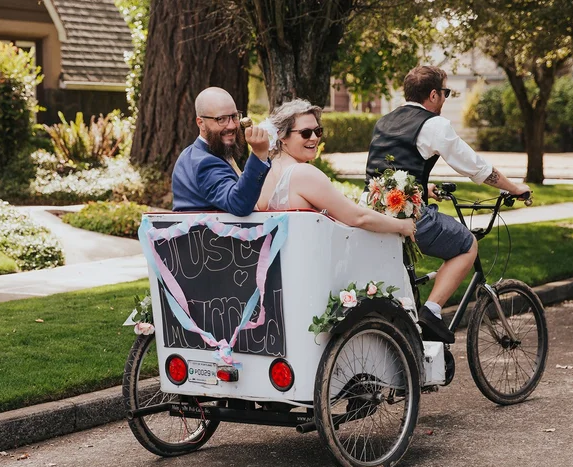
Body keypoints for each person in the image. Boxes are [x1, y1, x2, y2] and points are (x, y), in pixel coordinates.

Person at [365, 65, 530, 344]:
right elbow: (475, 167)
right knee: (466, 244)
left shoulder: (386, 121)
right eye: (446, 92)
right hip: (410, 219)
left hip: (375, 213)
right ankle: (431, 312)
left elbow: (389, 168)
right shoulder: (433, 124)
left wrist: (424, 187)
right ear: (432, 95)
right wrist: (515, 188)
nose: (445, 99)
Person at [256, 98, 415, 238]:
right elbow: (358, 218)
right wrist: (403, 226)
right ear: (282, 136)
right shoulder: (302, 173)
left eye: (318, 131)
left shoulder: (263, 169)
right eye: (305, 133)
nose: (314, 138)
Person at [172, 87, 271, 216]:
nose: (231, 126)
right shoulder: (205, 162)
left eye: (234, 117)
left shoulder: (192, 153)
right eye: (221, 119)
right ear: (201, 123)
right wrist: (259, 155)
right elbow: (239, 204)